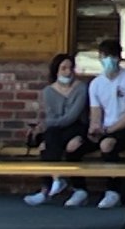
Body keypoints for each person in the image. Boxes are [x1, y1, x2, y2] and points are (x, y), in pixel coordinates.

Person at [66, 38, 125, 209]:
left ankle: (113, 191)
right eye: (104, 56)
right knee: (73, 146)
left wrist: (109, 130)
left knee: (107, 144)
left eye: (112, 56)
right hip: (105, 129)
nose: (108, 60)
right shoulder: (96, 84)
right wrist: (94, 129)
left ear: (118, 58)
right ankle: (79, 189)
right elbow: (96, 113)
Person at [23, 53, 89, 205]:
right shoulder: (48, 91)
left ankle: (71, 186)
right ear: (56, 71)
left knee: (68, 145)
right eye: (63, 68)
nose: (68, 72)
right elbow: (52, 116)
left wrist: (46, 125)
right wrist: (45, 126)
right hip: (57, 129)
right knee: (45, 144)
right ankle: (53, 182)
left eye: (71, 68)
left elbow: (72, 116)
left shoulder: (81, 88)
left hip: (77, 126)